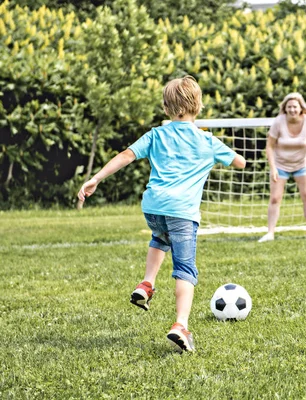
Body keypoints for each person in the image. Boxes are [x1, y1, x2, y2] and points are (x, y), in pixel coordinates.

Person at [77, 75, 246, 352]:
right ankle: (181, 325)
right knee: (185, 269)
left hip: (153, 207)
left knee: (159, 238)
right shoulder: (207, 141)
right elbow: (240, 162)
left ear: (166, 109)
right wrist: (221, 156)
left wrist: (96, 178)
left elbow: (126, 155)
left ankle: (147, 283)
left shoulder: (156, 134)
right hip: (182, 211)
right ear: (199, 105)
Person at [258, 92, 306, 243]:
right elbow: (269, 146)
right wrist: (273, 168)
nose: (292, 109)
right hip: (281, 165)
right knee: (275, 198)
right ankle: (270, 233)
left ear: (301, 108)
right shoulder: (278, 121)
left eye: (295, 107)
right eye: (289, 107)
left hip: (302, 165)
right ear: (285, 108)